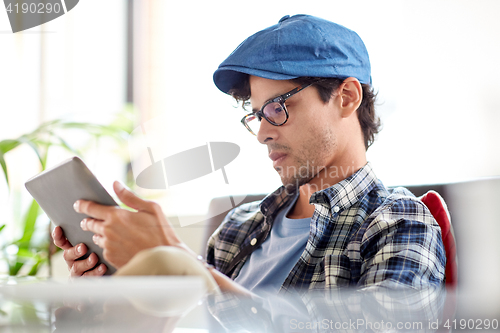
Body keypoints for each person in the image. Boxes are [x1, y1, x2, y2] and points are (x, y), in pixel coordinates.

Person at [53, 14, 445, 294]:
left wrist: (178, 266)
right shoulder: (235, 229)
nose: (262, 133)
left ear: (346, 97)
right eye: (256, 115)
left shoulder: (398, 221)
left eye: (278, 108)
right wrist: (108, 296)